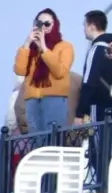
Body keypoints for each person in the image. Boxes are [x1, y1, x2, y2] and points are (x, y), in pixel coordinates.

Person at [12, 8, 73, 137]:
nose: (43, 28)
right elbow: (20, 70)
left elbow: (60, 71)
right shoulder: (30, 49)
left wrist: (44, 48)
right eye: (39, 24)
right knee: (36, 139)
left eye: (47, 24)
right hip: (32, 99)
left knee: (53, 138)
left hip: (54, 98)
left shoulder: (65, 46)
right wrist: (27, 44)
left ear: (55, 25)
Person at [76, 9, 112, 125]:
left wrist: (80, 112)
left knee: (97, 136)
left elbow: (89, 82)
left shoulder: (96, 49)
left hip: (98, 104)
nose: (84, 29)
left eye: (85, 25)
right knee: (108, 135)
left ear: (92, 26)